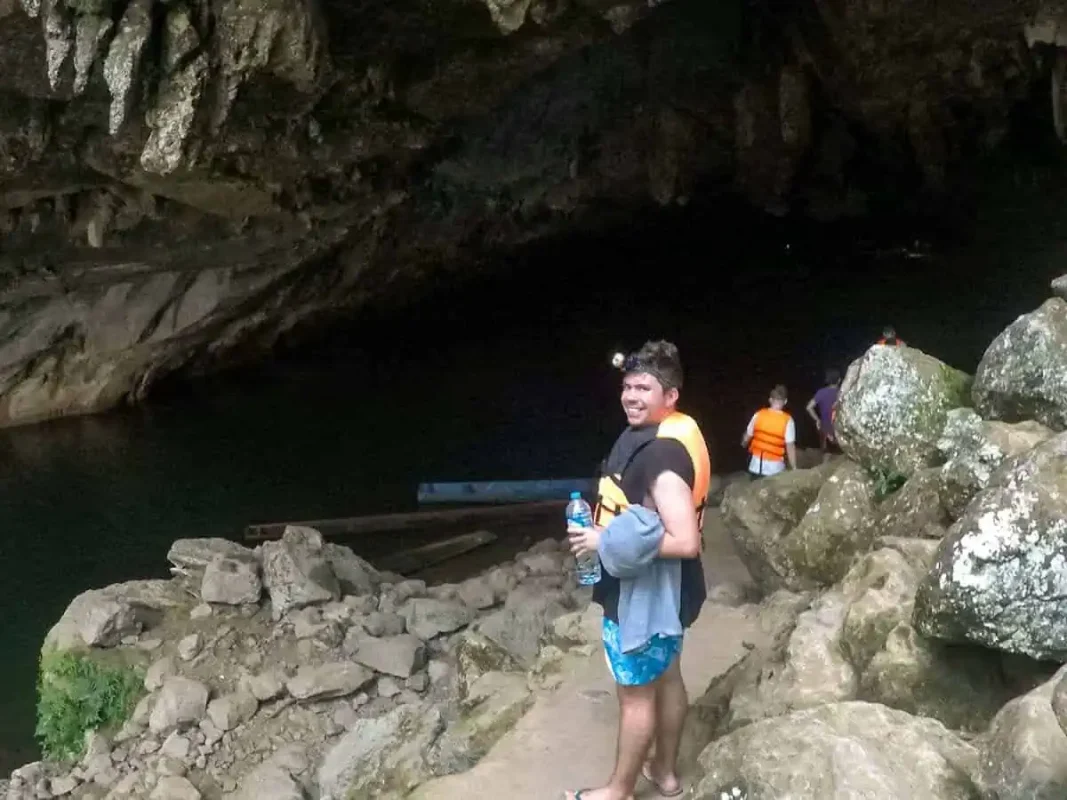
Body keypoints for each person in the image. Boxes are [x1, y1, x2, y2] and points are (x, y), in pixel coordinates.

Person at [566, 340, 711, 800]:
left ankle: (618, 791)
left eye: (644, 388)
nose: (631, 396)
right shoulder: (666, 433)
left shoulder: (663, 459)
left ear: (671, 396)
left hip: (646, 596)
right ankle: (664, 774)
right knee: (667, 674)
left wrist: (600, 540)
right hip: (672, 593)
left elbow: (686, 541)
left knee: (636, 695)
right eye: (628, 386)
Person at [741, 384, 796, 477]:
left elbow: (746, 438)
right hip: (775, 469)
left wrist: (743, 444)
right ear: (785, 401)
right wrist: (794, 467)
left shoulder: (759, 415)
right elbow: (790, 446)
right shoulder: (788, 420)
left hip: (755, 466)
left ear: (770, 400)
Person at [806, 368, 841, 462]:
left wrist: (817, 420)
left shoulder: (821, 392)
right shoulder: (842, 392)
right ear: (839, 380)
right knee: (842, 457)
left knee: (826, 455)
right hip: (840, 430)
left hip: (825, 429)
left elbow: (809, 407)